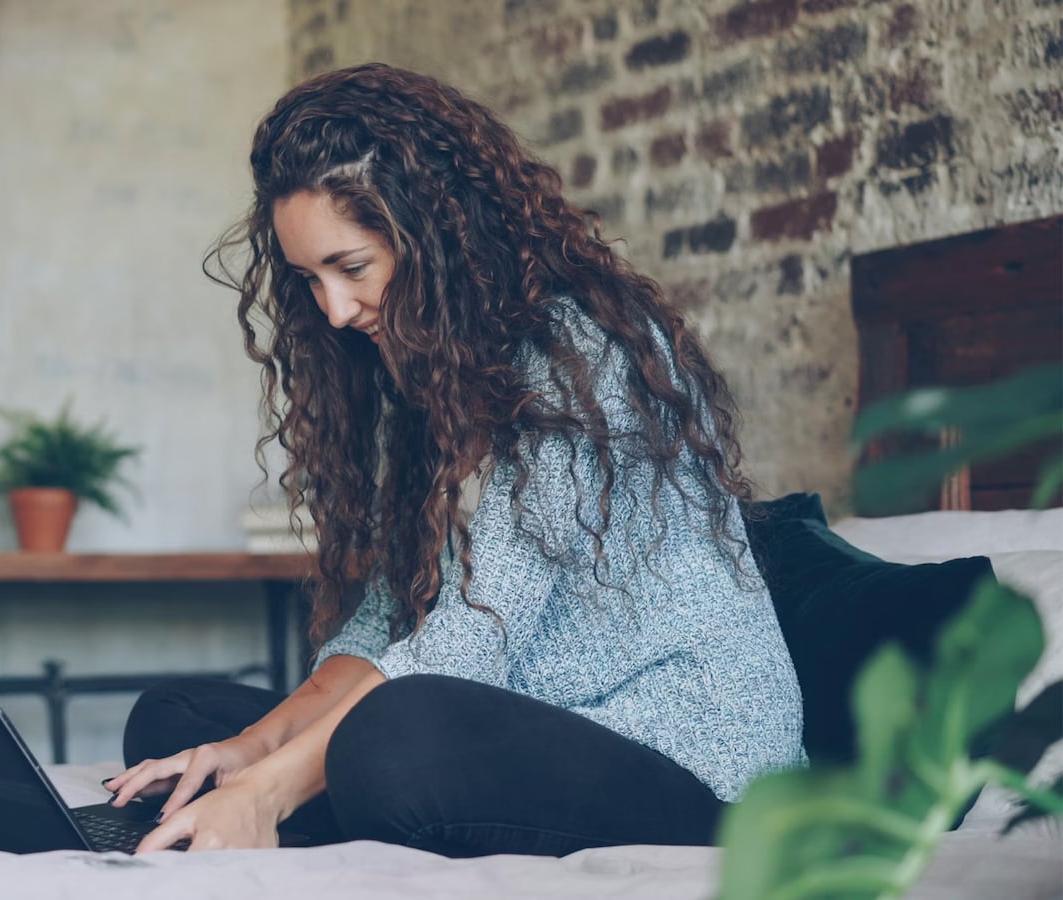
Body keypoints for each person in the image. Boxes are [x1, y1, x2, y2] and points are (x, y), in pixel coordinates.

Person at [104, 63, 805, 857]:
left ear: (434, 235)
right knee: (175, 720)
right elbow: (387, 622)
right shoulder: (434, 376)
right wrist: (248, 754)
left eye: (352, 268)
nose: (333, 311)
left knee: (390, 740)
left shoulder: (584, 355)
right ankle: (267, 802)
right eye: (310, 280)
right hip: (521, 721)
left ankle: (286, 810)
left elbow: (476, 634)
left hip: (691, 766)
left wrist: (269, 789)